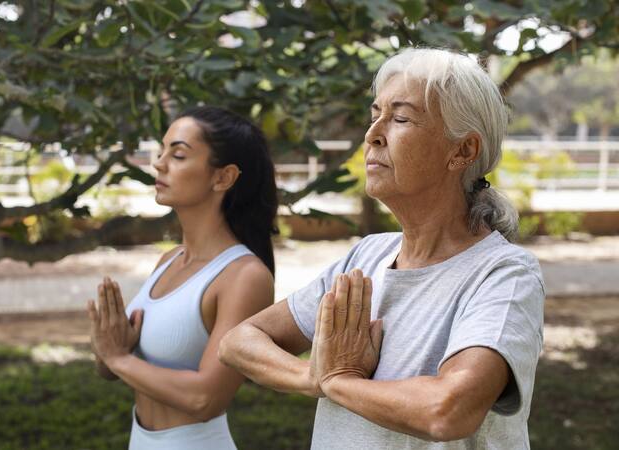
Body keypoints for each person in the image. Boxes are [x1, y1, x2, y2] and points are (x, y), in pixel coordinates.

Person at [219, 47, 545, 449]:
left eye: (401, 118)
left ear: (463, 151)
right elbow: (239, 341)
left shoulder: (504, 274)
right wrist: (315, 376)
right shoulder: (367, 256)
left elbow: (448, 409)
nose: (373, 133)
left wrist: (340, 381)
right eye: (375, 115)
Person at [86, 105, 278, 450]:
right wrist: (109, 348)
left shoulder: (245, 276)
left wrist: (119, 358)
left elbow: (206, 398)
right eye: (161, 152)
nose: (158, 163)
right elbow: (111, 369)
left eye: (177, 154)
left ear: (223, 177)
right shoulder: (168, 260)